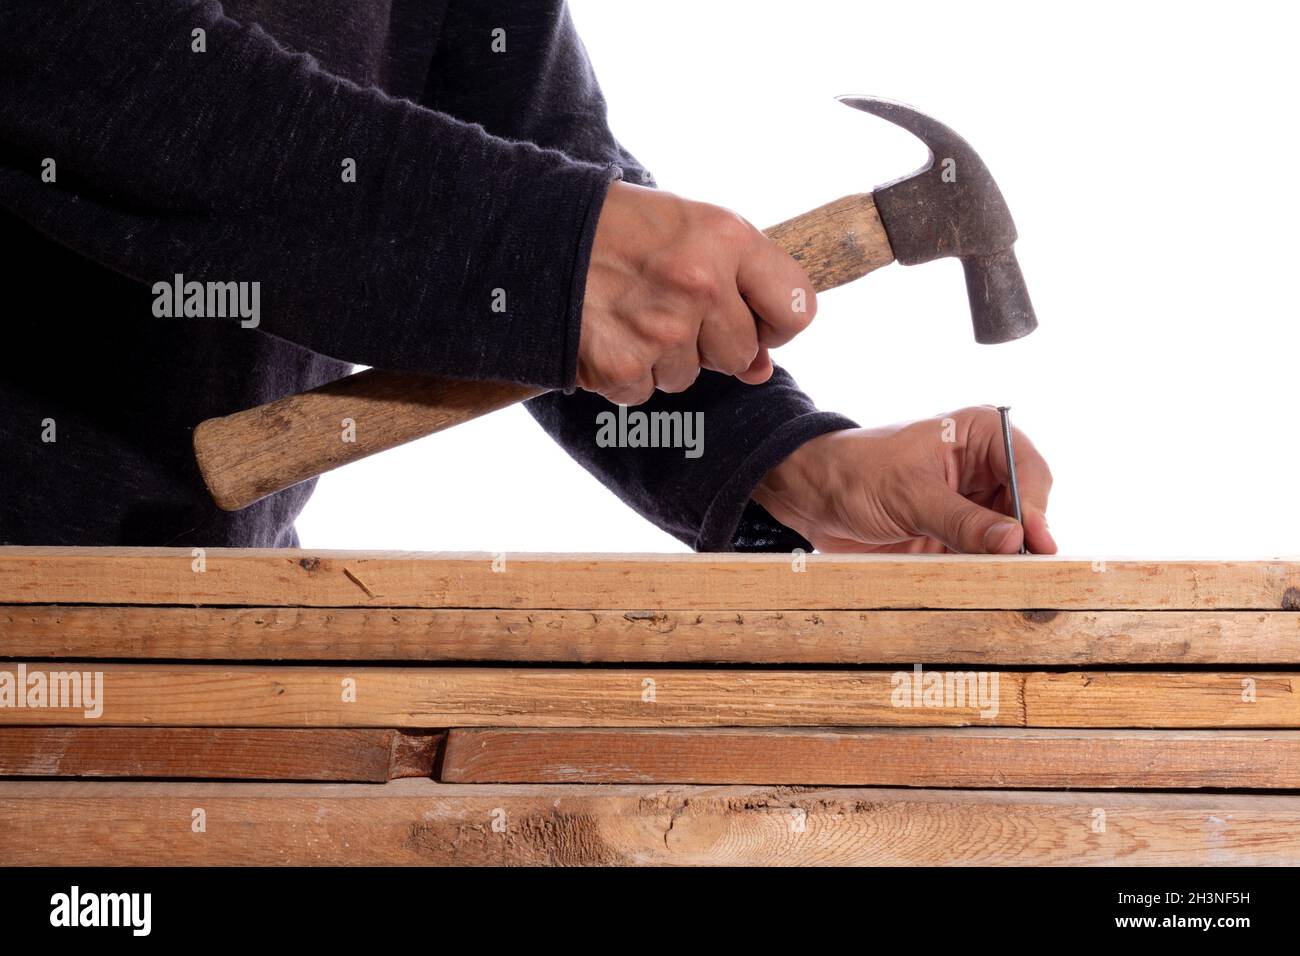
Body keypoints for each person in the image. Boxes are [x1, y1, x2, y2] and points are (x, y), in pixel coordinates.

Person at [0, 0, 1054, 555]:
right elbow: (77, 54)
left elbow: (527, 145)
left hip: (174, 626)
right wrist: (550, 248)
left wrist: (786, 454)